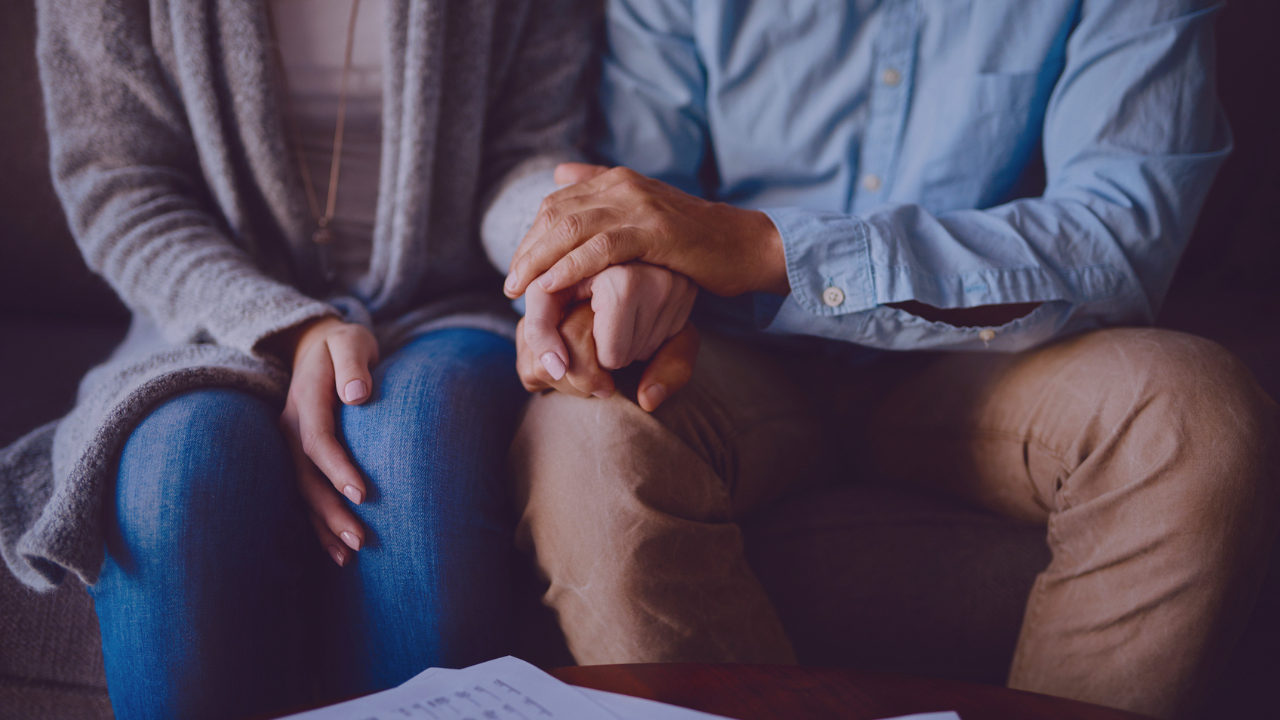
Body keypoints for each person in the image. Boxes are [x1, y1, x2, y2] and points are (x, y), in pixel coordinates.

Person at [491, 2, 1279, 719]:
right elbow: (634, 195)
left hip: (998, 357)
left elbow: (1117, 241)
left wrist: (767, 249)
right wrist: (623, 287)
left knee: (1194, 418)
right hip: (734, 356)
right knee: (586, 442)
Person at [0, 1, 592, 719]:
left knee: (416, 444)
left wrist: (565, 235)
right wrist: (289, 327)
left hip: (448, 301)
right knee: (180, 470)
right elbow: (119, 187)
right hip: (209, 314)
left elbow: (528, 154)